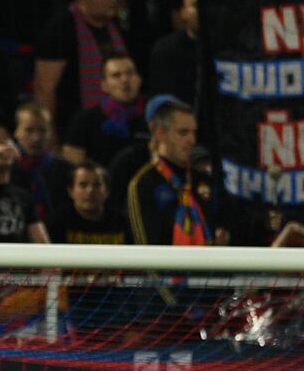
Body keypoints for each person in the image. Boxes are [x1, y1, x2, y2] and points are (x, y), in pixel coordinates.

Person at [33, 0, 128, 135]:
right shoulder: (60, 29)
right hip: (72, 129)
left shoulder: (118, 28)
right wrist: (49, 136)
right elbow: (44, 89)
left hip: (118, 126)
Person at [125, 97, 209, 246]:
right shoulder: (143, 184)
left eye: (193, 132)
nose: (192, 140)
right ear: (160, 134)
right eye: (183, 133)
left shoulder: (203, 180)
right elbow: (145, 248)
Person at [62, 54, 146, 169]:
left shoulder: (155, 116)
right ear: (104, 85)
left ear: (139, 79)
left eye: (130, 73)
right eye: (116, 75)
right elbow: (73, 169)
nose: (125, 80)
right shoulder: (84, 121)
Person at [46, 162, 129, 244]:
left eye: (97, 185)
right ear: (71, 191)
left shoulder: (123, 223)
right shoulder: (56, 223)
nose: (90, 191)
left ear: (107, 191)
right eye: (83, 185)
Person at [147, 0, 199, 105]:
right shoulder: (165, 49)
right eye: (196, 5)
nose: (203, 11)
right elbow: (164, 99)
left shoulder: (229, 47)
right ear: (183, 12)